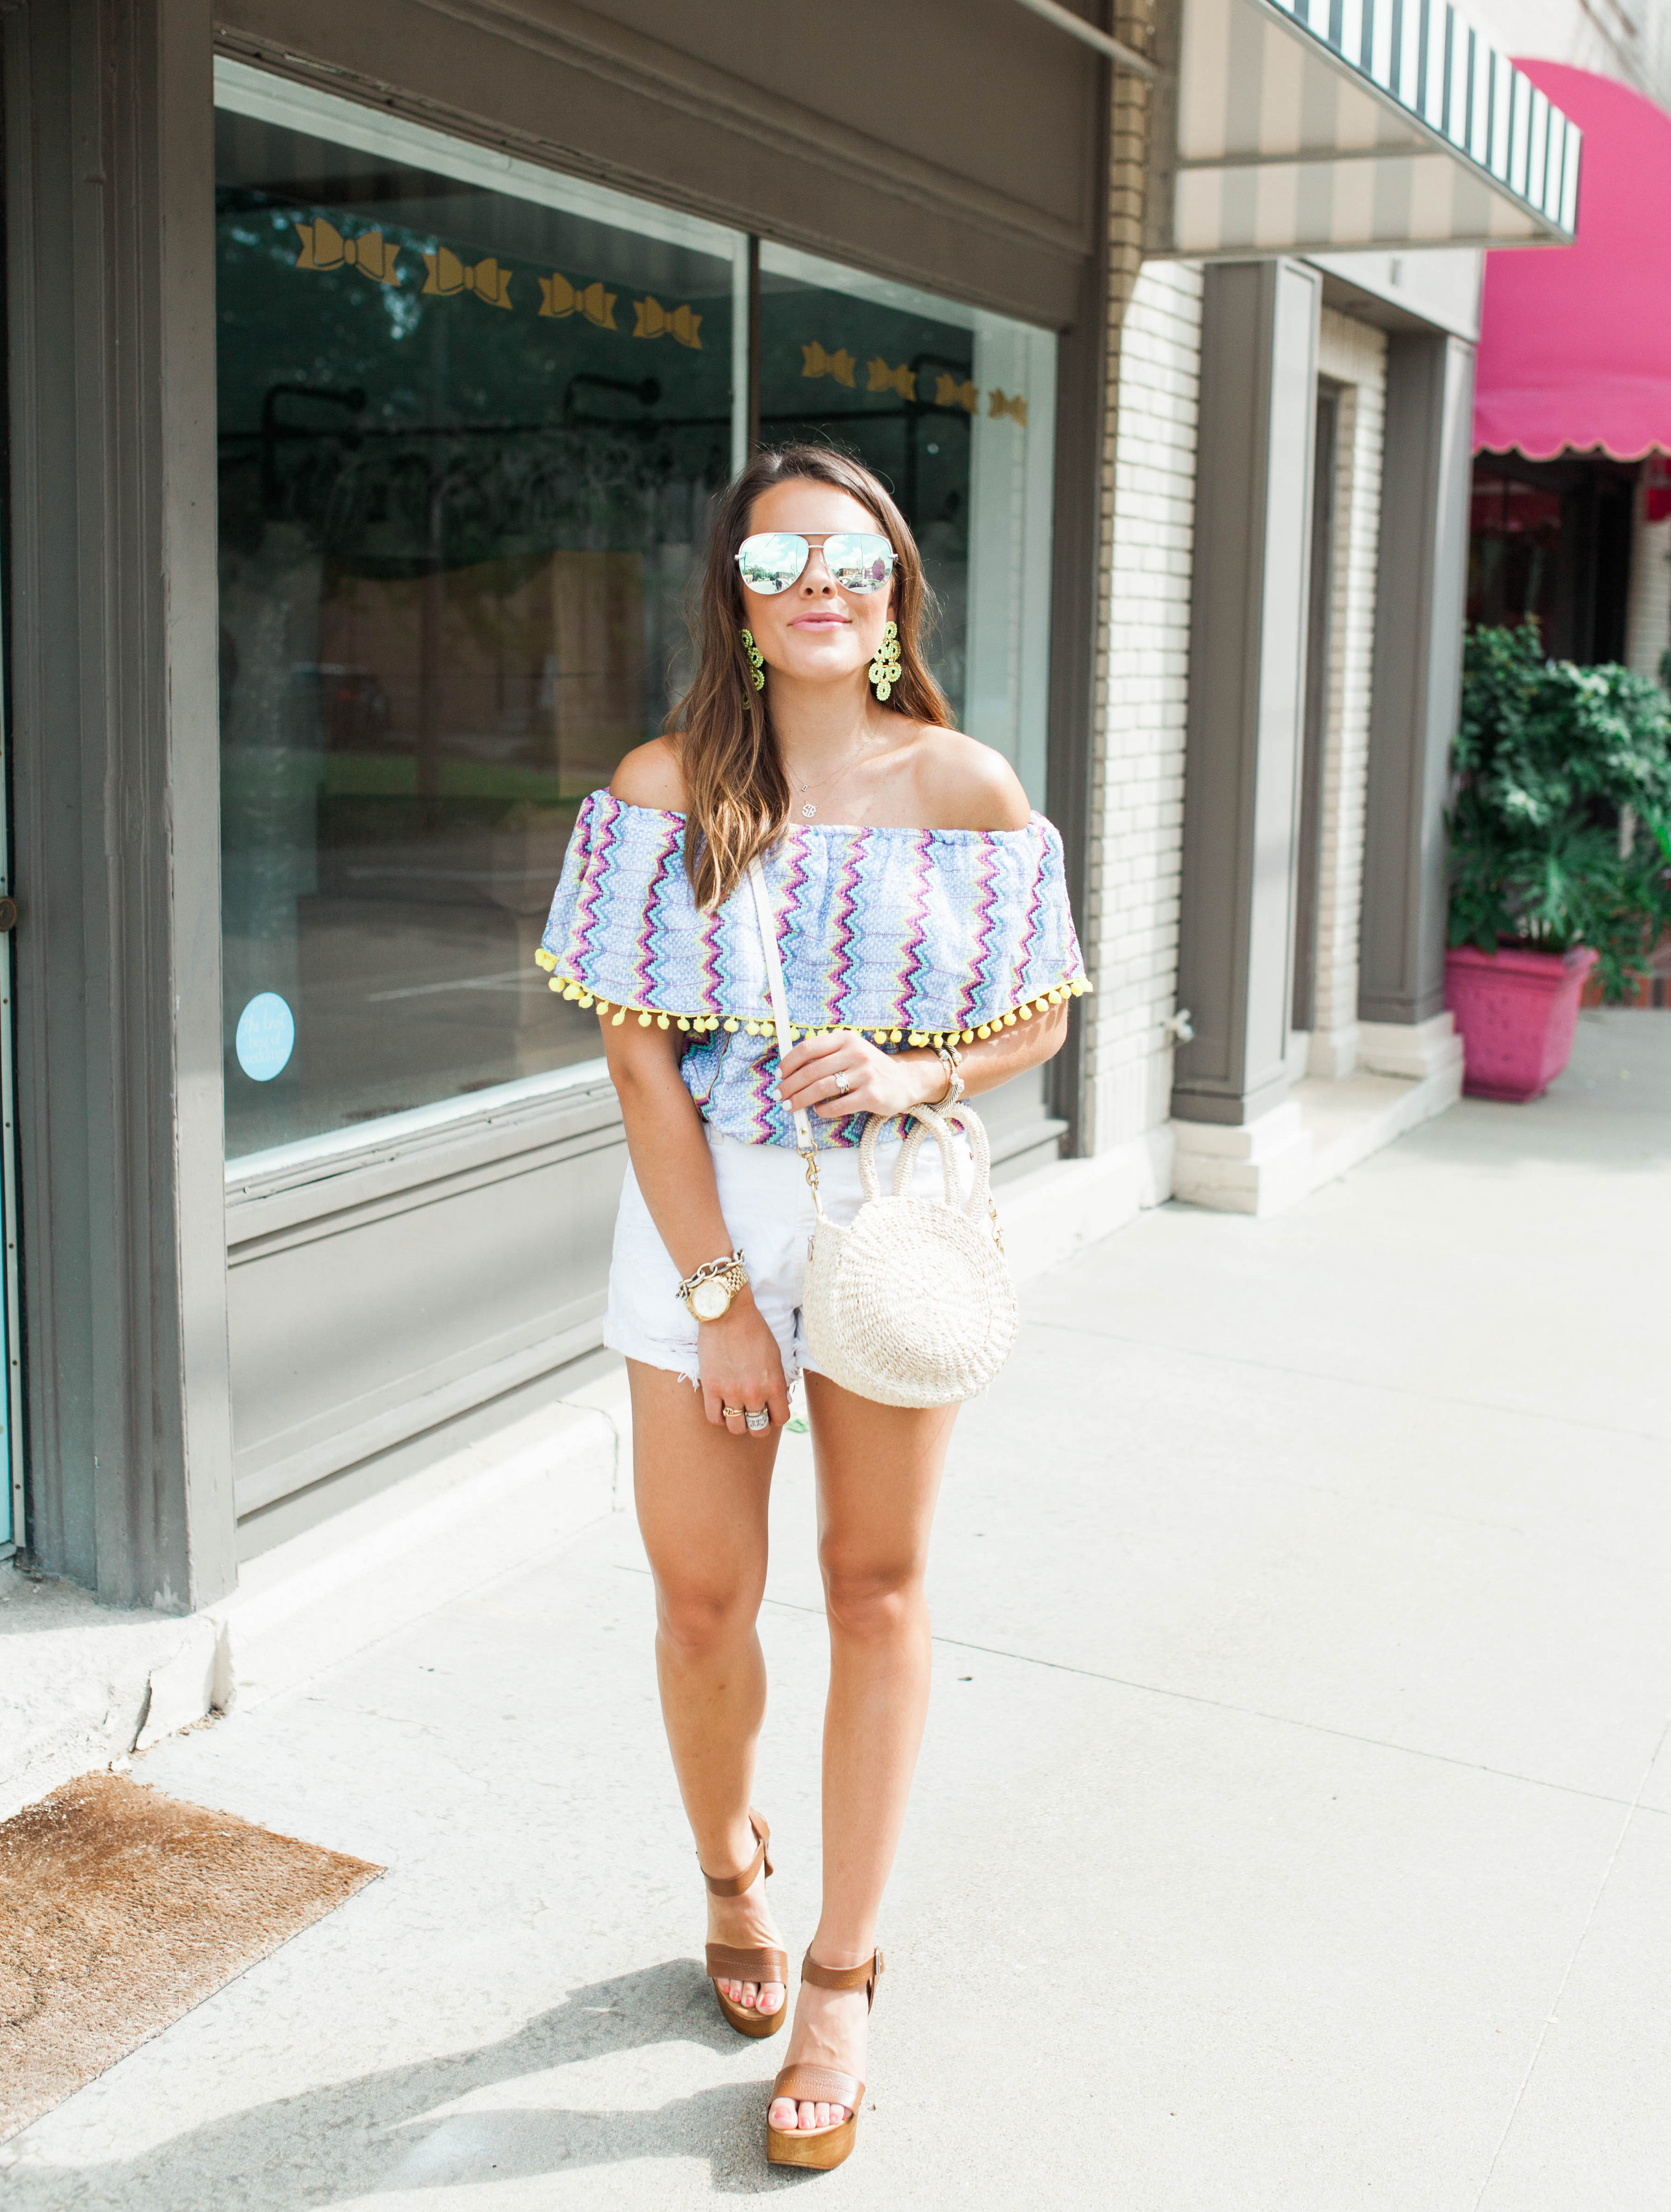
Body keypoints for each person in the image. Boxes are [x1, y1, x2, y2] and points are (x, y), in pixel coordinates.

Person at [538, 441, 1086, 2170]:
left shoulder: (971, 789)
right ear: (737, 596)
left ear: (894, 581)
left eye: (848, 559)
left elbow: (1044, 1019)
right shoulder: (661, 786)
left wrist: (922, 1071)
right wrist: (715, 1298)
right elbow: (638, 1059)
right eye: (776, 566)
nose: (817, 589)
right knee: (705, 1606)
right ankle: (732, 1877)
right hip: (704, 1222)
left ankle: (843, 1970)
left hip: (887, 1222)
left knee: (875, 1586)